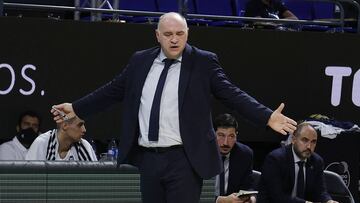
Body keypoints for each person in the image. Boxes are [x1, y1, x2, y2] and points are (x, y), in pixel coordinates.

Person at [51, 12, 297, 203]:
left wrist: (266, 117)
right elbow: (112, 91)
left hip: (185, 160)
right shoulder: (140, 61)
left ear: (187, 34)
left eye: (180, 33)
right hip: (148, 158)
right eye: (168, 34)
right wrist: (76, 108)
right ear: (157, 35)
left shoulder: (203, 62)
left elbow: (232, 94)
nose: (174, 39)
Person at [258, 122, 338, 203]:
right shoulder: (276, 159)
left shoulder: (317, 161)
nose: (309, 146)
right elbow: (277, 196)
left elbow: (320, 191)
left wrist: (328, 200)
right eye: (305, 140)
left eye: (313, 142)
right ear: (293, 140)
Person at [214, 113, 256, 203]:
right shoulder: (201, 154)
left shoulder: (245, 154)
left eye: (231, 136)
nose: (226, 142)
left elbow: (248, 186)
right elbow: (194, 192)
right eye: (221, 135)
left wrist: (251, 199)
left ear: (236, 135)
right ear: (213, 134)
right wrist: (222, 200)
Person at [25, 116, 97, 161]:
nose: (84, 130)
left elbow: (95, 181)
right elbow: (30, 180)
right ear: (65, 125)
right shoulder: (42, 143)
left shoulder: (84, 145)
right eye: (80, 125)